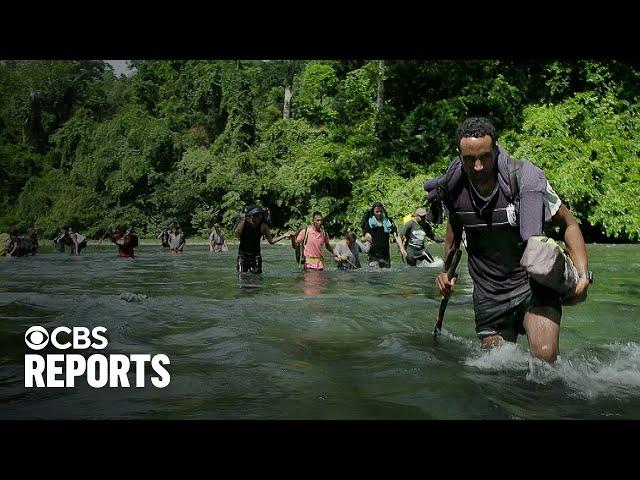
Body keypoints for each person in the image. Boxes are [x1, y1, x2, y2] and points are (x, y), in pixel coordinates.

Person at [433, 117, 590, 363]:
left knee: (544, 360)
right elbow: (454, 227)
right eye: (469, 159)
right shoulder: (454, 188)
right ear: (459, 155)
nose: (478, 167)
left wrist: (583, 275)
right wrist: (445, 272)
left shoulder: (523, 180)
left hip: (534, 286)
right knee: (499, 370)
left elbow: (568, 223)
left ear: (496, 149)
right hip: (488, 293)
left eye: (485, 157)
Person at [233, 205, 293, 273]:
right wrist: (242, 220)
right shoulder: (244, 223)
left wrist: (284, 235)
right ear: (251, 216)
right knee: (241, 276)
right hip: (243, 255)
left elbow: (271, 241)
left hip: (256, 256)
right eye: (255, 217)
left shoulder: (263, 226)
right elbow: (237, 235)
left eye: (259, 217)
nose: (257, 220)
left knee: (257, 278)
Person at [361, 202, 404, 268]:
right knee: (376, 273)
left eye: (381, 211)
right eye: (377, 211)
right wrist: (366, 236)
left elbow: (396, 236)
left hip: (385, 255)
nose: (379, 213)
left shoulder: (388, 222)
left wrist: (401, 248)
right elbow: (364, 235)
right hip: (373, 255)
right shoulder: (369, 223)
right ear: (373, 211)